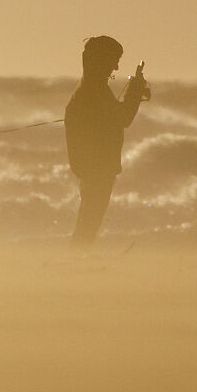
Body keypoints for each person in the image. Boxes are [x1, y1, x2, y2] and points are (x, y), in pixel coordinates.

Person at [65, 35, 148, 244]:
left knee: (88, 220)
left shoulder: (90, 86)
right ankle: (76, 260)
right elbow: (123, 118)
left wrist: (135, 92)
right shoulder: (94, 89)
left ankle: (77, 259)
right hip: (96, 169)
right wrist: (136, 89)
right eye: (114, 61)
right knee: (89, 222)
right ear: (101, 60)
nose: (116, 67)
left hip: (92, 167)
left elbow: (113, 117)